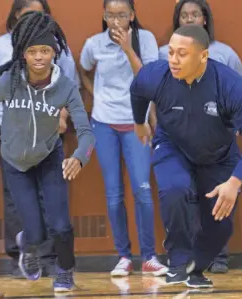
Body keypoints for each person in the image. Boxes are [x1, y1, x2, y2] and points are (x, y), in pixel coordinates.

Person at [130, 25, 242, 288]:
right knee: (175, 189)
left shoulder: (228, 84)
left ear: (203, 56)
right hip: (172, 146)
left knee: (221, 225)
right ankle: (178, 262)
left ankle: (196, 269)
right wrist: (139, 122)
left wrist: (235, 181)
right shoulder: (157, 75)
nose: (173, 59)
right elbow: (137, 89)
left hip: (218, 156)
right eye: (170, 52)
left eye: (182, 54)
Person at [0, 11, 95, 292]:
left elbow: (85, 132)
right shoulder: (9, 82)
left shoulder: (65, 87)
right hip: (15, 162)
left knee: (61, 225)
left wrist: (79, 157)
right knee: (35, 231)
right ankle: (28, 245)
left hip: (49, 157)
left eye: (45, 50)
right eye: (32, 51)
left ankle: (65, 271)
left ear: (54, 53)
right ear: (22, 53)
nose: (39, 57)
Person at [157, 0, 242, 273]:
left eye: (194, 15)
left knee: (217, 196)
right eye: (184, 15)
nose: (189, 19)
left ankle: (218, 255)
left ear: (205, 19)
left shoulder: (224, 53)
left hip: (217, 140)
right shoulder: (166, 54)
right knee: (181, 195)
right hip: (178, 140)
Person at [78, 0, 168, 277]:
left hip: (136, 122)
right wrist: (95, 93)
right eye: (111, 15)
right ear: (104, 16)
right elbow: (83, 69)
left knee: (142, 188)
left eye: (122, 15)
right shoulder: (94, 44)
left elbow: (149, 78)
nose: (116, 21)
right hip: (104, 123)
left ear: (132, 15)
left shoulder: (146, 39)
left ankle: (150, 256)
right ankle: (124, 256)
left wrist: (127, 47)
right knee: (114, 192)